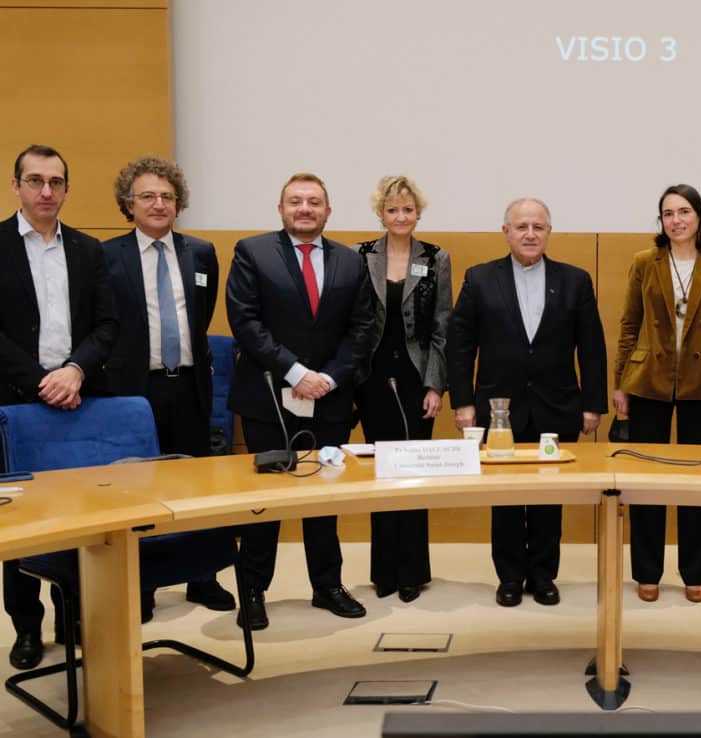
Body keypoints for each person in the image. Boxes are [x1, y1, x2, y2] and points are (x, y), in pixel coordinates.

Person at [226, 172, 375, 630]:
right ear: (281, 209)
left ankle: (327, 586)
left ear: (328, 211)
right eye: (296, 201)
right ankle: (253, 590)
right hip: (269, 396)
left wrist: (327, 379)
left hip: (329, 399)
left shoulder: (351, 262)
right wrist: (295, 372)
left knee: (323, 496)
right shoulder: (252, 253)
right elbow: (246, 322)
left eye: (314, 202)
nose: (305, 208)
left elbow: (362, 329)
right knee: (264, 500)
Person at [447, 197, 607, 607]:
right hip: (498, 411)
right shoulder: (480, 279)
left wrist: (592, 404)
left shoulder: (575, 280)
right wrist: (463, 403)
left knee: (547, 498)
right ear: (506, 232)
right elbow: (461, 346)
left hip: (557, 407)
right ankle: (509, 577)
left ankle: (543, 574)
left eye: (538, 226)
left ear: (549, 232)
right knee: (504, 498)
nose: (530, 234)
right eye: (522, 227)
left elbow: (591, 348)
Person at [102, 155, 236, 622]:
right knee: (139, 488)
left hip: (191, 388)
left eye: (168, 196)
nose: (159, 204)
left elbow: (200, 317)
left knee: (195, 483)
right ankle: (141, 585)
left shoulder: (200, 253)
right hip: (134, 392)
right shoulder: (107, 256)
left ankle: (202, 577)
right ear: (128, 203)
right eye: (148, 196)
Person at [1, 144, 118, 669]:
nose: (45, 191)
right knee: (20, 520)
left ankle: (72, 614)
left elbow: (107, 325)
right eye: (34, 181)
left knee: (79, 516)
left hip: (78, 398)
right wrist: (39, 380)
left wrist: (74, 371)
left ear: (67, 190)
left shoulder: (90, 251)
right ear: (16, 186)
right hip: (13, 403)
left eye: (55, 182)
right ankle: (27, 627)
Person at [613, 184, 701, 603]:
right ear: (660, 221)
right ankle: (647, 571)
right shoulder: (644, 262)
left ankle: (696, 571)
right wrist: (620, 384)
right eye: (668, 214)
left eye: (684, 212)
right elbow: (629, 325)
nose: (677, 220)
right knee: (646, 480)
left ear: (699, 217)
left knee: (699, 483)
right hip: (648, 382)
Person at [355, 176, 452, 603]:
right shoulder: (361, 256)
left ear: (418, 214)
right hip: (372, 380)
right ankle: (384, 572)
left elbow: (442, 328)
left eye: (408, 210)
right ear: (381, 213)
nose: (400, 217)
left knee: (414, 475)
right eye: (392, 210)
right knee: (382, 475)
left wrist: (435, 385)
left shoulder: (435, 257)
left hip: (415, 381)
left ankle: (412, 571)